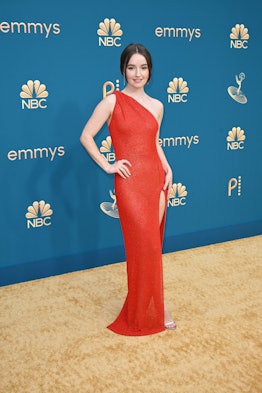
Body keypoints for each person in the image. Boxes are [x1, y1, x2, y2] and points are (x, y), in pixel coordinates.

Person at [80, 43, 176, 336]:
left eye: (143, 67)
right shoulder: (112, 101)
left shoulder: (158, 105)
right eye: (132, 67)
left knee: (153, 247)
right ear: (123, 69)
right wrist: (108, 165)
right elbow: (86, 135)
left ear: (150, 70)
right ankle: (151, 307)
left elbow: (154, 142)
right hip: (130, 184)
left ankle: (157, 304)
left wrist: (168, 167)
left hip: (156, 179)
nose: (138, 73)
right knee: (143, 246)